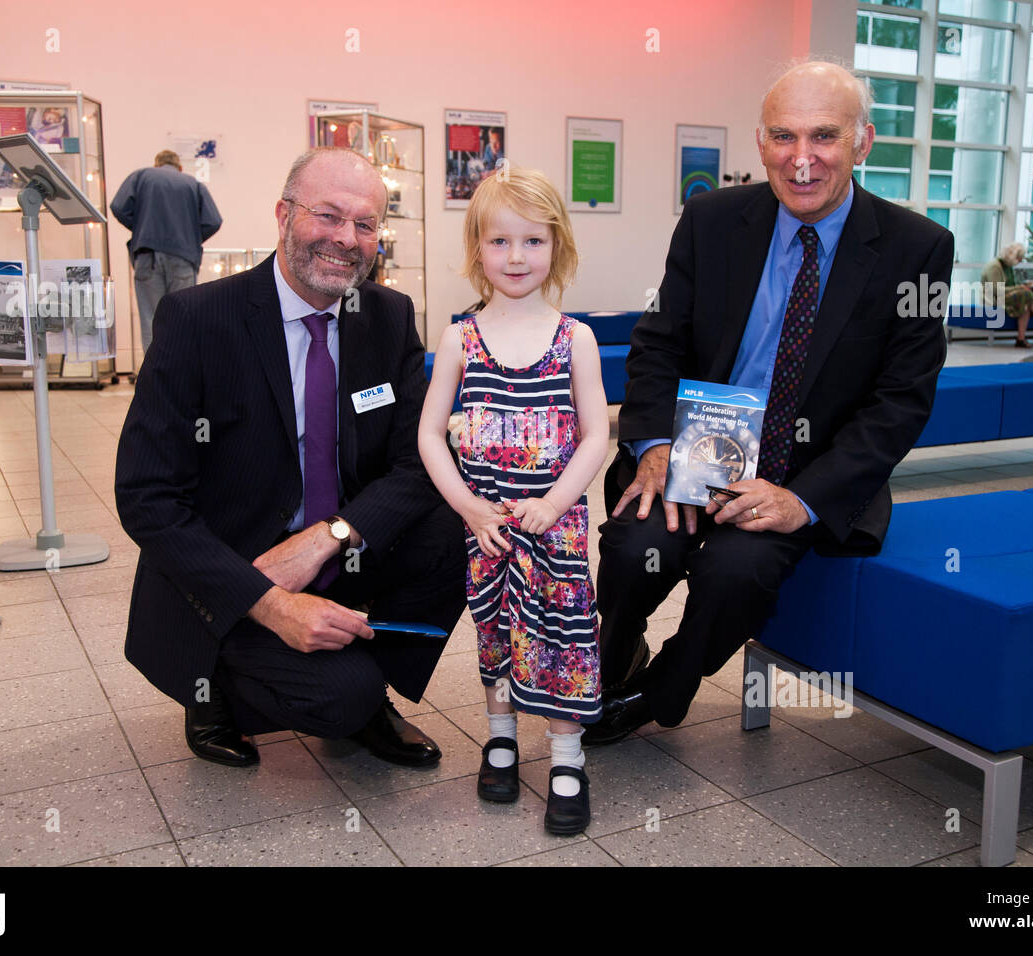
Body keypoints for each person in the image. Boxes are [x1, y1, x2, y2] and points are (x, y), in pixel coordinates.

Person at [587, 60, 955, 746]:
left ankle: (659, 692)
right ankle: (620, 647)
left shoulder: (917, 248)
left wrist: (802, 500)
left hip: (807, 470)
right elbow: (658, 344)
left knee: (736, 569)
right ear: (760, 143)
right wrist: (653, 446)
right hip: (696, 452)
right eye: (784, 137)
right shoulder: (712, 221)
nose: (803, 159)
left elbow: (900, 403)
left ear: (863, 141)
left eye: (824, 137)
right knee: (639, 544)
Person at [115, 147, 467, 770]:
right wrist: (268, 601)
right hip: (232, 563)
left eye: (364, 224)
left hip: (335, 545)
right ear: (283, 215)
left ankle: (369, 693)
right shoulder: (198, 319)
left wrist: (330, 537)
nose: (345, 239)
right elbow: (147, 497)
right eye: (327, 215)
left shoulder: (387, 316)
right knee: (337, 698)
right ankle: (212, 684)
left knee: (451, 533)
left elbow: (418, 463)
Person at [419, 168, 608, 834]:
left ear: (558, 247)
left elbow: (596, 434)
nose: (518, 257)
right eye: (500, 242)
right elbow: (429, 433)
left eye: (533, 240)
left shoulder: (574, 339)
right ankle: (500, 735)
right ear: (477, 249)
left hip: (554, 529)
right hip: (491, 528)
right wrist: (468, 507)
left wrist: (555, 503)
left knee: (563, 637)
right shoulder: (459, 340)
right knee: (494, 630)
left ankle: (565, 755)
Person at [109, 150, 222, 355]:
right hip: (183, 259)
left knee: (151, 318)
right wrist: (190, 239)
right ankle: (183, 378)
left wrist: (140, 229)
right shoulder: (193, 184)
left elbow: (118, 207)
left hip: (148, 256)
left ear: (156, 164)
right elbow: (213, 221)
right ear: (180, 167)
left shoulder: (141, 176)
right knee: (184, 318)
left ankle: (155, 381)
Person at [981, 242, 1033, 348]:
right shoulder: (994, 267)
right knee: (1025, 295)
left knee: (1025, 301)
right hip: (993, 299)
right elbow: (994, 289)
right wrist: (1019, 288)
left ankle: (1021, 339)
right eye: (1019, 258)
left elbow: (1010, 286)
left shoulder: (1007, 266)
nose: (1020, 261)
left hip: (1005, 297)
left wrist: (1021, 287)